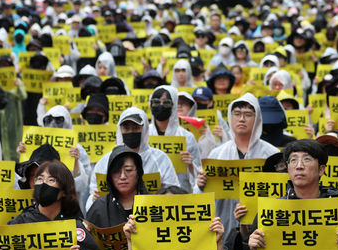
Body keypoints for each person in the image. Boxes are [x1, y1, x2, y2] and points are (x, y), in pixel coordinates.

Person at [195, 93, 279, 238]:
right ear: (230, 117)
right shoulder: (216, 154)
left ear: (257, 118)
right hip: (224, 229)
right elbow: (202, 200)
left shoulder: (272, 154)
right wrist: (201, 186)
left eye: (248, 114)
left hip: (264, 232)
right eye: (237, 113)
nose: (241, 119)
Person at [86, 107, 179, 211]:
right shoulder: (105, 161)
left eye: (136, 128)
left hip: (153, 215)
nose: (131, 132)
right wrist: (94, 200)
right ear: (120, 130)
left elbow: (174, 192)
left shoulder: (160, 159)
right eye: (126, 128)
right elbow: (93, 194)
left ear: (144, 129)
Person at [148, 85, 202, 192]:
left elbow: (199, 174)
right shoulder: (144, 134)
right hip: (150, 194)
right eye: (156, 102)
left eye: (166, 102)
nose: (161, 105)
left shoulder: (187, 137)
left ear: (173, 106)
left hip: (180, 192)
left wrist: (191, 164)